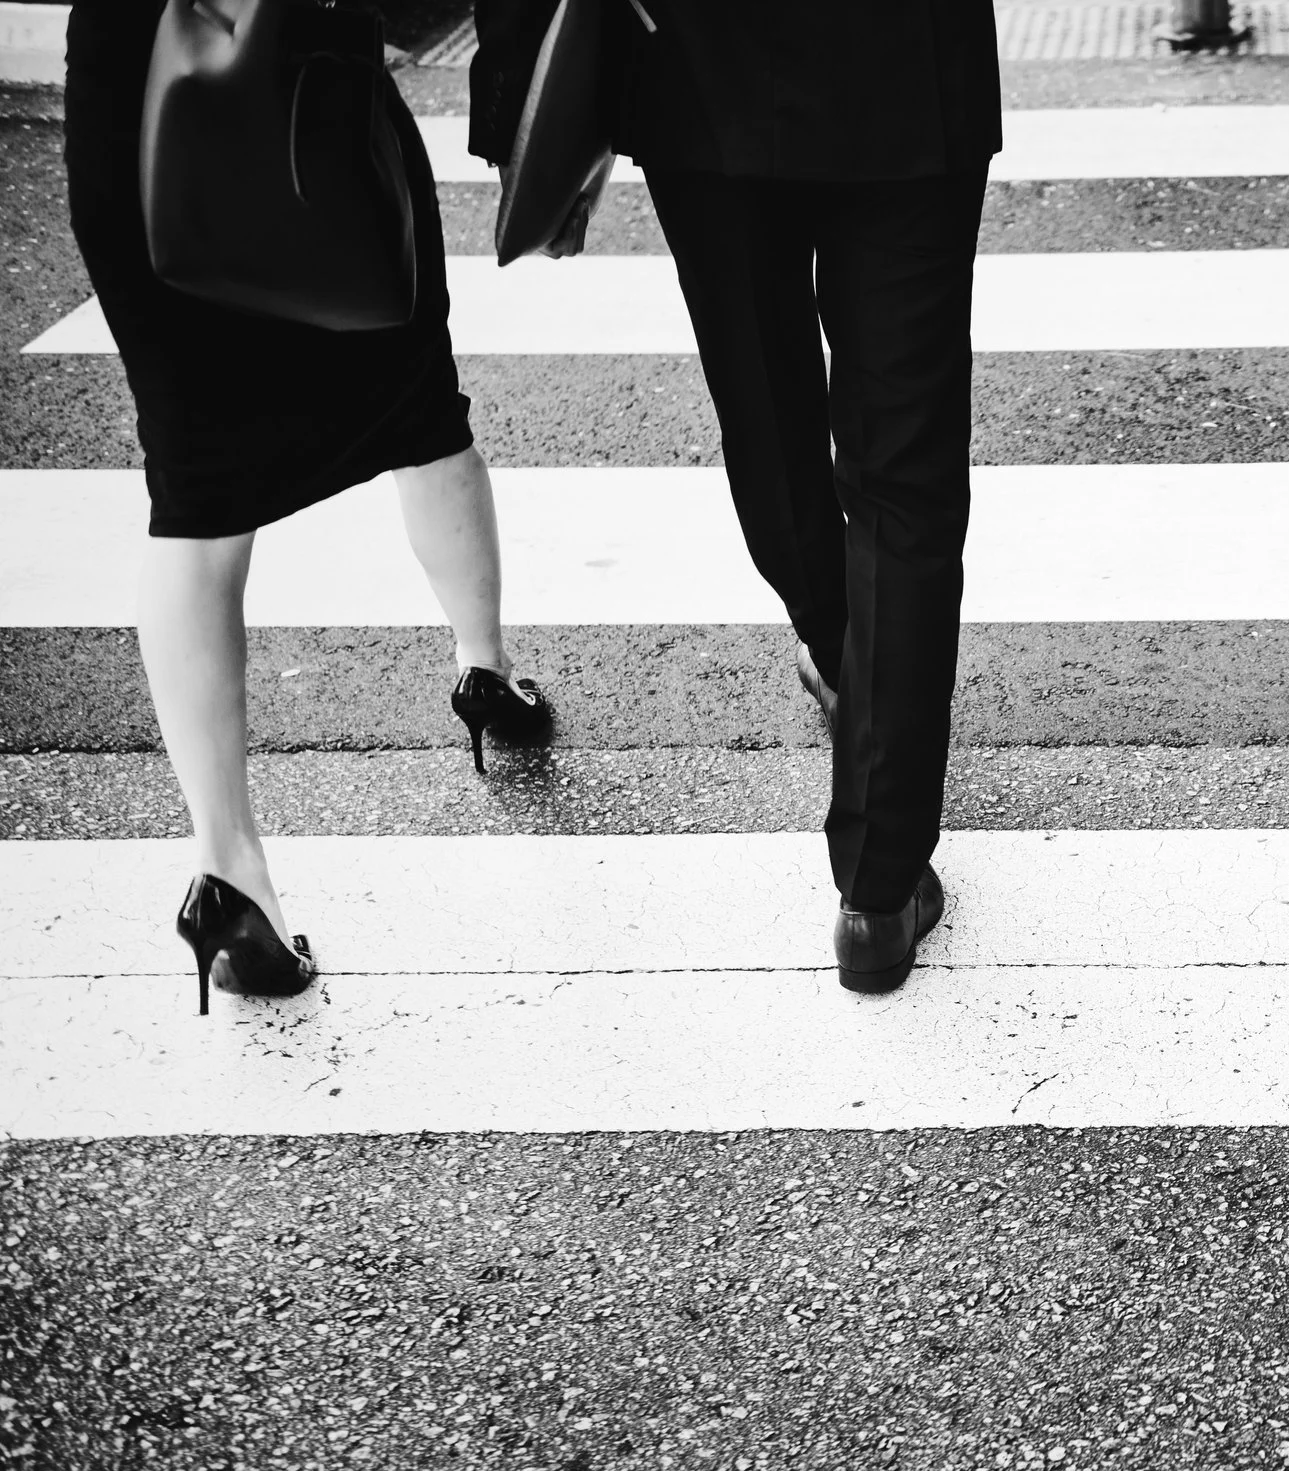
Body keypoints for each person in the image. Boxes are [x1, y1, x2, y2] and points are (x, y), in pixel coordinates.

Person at [473, 0, 1000, 993]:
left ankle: (847, 658)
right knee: (906, 474)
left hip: (698, 70)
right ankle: (877, 891)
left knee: (766, 421)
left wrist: (515, 98)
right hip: (908, 71)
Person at [64, 0, 553, 1015]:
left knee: (195, 494)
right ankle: (484, 670)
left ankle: (227, 867)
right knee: (417, 398)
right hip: (300, 90)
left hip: (143, 103)